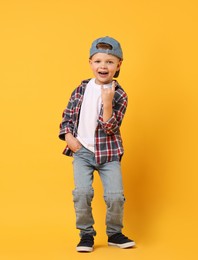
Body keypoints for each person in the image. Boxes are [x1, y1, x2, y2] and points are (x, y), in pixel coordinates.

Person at [59, 36, 135, 252]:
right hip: (81, 151)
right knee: (82, 193)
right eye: (99, 61)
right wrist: (68, 137)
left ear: (118, 65)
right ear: (91, 63)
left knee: (115, 196)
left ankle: (114, 233)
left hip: (108, 153)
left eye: (110, 62)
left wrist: (108, 102)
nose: (104, 66)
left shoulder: (120, 95)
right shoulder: (81, 90)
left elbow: (110, 128)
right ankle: (86, 235)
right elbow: (67, 116)